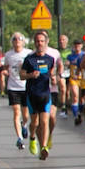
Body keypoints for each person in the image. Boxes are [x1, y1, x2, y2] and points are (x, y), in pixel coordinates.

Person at [21, 31, 60, 160]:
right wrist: (30, 75)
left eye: (42, 41)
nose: (39, 43)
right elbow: (21, 75)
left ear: (46, 42)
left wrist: (54, 79)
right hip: (32, 94)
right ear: (34, 42)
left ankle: (43, 147)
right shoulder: (29, 59)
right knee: (34, 122)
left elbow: (52, 73)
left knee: (44, 121)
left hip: (45, 94)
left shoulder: (50, 59)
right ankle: (32, 138)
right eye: (37, 41)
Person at [4, 33, 31, 148]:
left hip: (25, 86)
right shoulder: (8, 55)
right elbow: (5, 68)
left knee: (26, 114)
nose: (17, 41)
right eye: (14, 39)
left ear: (23, 41)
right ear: (12, 42)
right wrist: (5, 72)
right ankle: (19, 138)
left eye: (19, 39)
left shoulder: (28, 53)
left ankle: (24, 125)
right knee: (16, 112)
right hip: (13, 87)